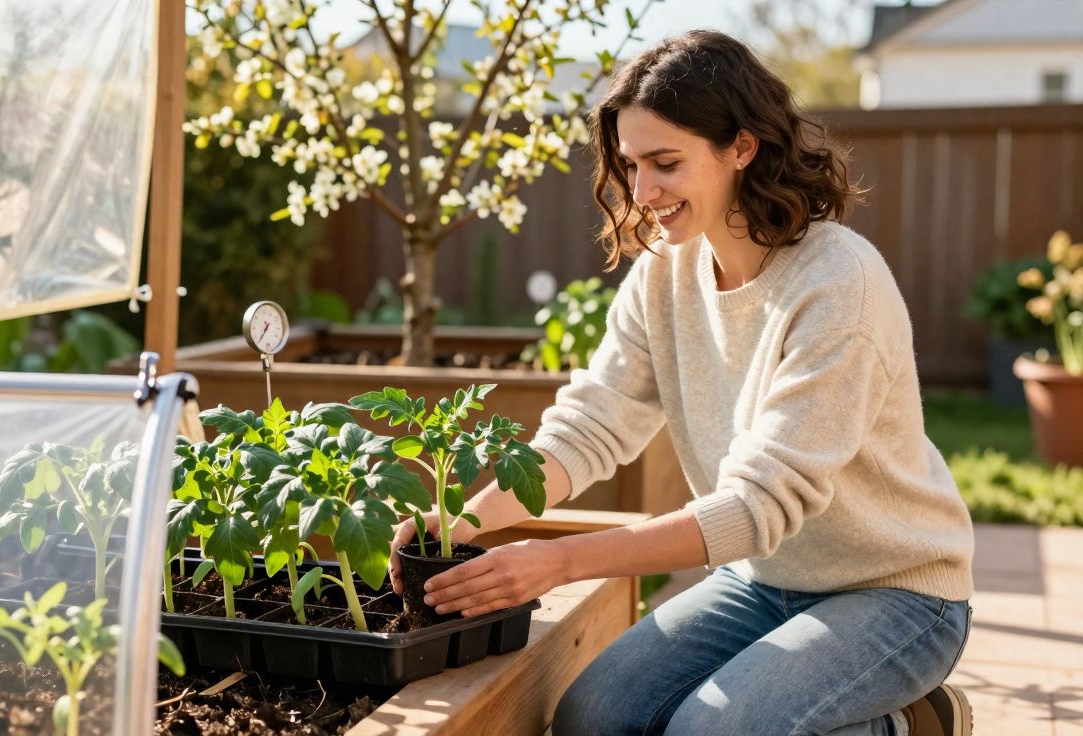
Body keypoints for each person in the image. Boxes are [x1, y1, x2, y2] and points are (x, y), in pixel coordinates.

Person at [387, 30, 975, 736]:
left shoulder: (837, 287)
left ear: (742, 148)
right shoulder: (664, 275)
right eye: (632, 164)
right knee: (592, 719)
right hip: (761, 579)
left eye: (665, 163)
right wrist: (460, 524)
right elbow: (589, 427)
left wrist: (558, 561)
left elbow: (758, 507)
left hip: (895, 592)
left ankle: (912, 725)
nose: (641, 192)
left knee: (708, 732)